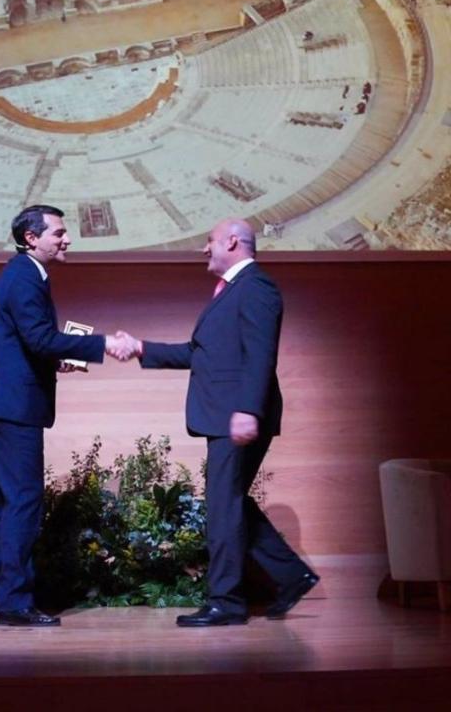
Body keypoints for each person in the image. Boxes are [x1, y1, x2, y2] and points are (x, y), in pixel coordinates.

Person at [114, 219, 318, 626]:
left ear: (231, 242)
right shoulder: (232, 292)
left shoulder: (256, 288)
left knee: (223, 508)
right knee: (230, 504)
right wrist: (141, 349)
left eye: (208, 242)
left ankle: (227, 602)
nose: (204, 250)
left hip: (236, 416)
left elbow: (262, 355)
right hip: (225, 415)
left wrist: (248, 409)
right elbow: (200, 353)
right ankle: (292, 576)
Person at [0, 204, 131, 627]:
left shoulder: (23, 275)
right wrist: (101, 345)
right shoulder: (24, 277)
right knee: (23, 501)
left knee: (5, 502)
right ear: (30, 238)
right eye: (58, 232)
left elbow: (28, 344)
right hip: (12, 407)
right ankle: (14, 604)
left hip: (0, 403)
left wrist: (53, 360)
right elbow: (40, 339)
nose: (66, 238)